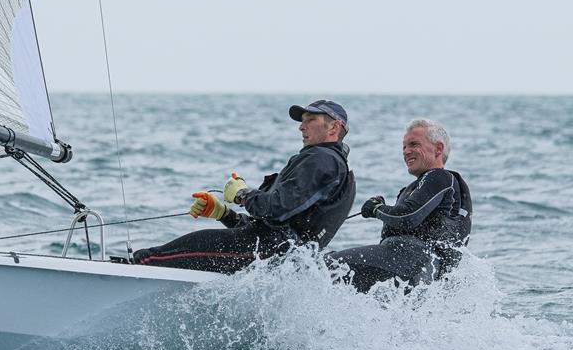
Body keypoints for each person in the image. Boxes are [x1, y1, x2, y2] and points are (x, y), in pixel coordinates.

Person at [133, 100, 356, 273]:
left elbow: (277, 209)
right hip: (278, 255)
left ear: (333, 127)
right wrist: (224, 214)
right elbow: (279, 228)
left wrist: (242, 194)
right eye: (302, 120)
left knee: (149, 258)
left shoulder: (322, 160)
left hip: (268, 252)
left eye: (310, 120)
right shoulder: (330, 163)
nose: (300, 127)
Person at [326, 119, 472, 292]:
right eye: (404, 147)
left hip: (410, 259)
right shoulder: (420, 187)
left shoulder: (439, 177)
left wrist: (376, 209)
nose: (406, 152)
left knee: (323, 266)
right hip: (418, 271)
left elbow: (406, 217)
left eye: (414, 144)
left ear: (438, 149)